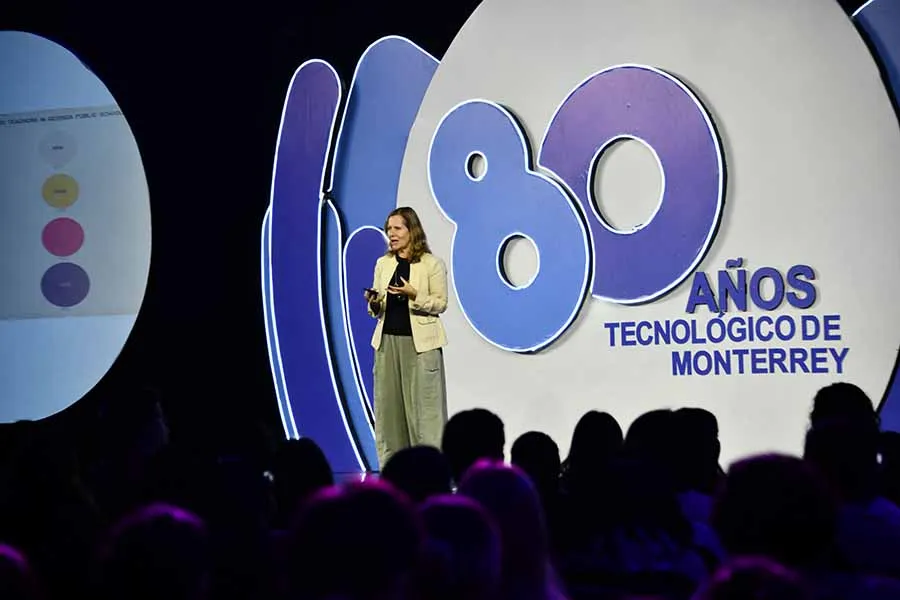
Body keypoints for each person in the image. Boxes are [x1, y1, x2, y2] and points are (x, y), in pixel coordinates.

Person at [365, 206, 449, 469]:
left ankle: (430, 472)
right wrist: (374, 303)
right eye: (389, 229)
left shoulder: (431, 264)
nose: (391, 233)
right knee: (389, 414)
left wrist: (415, 295)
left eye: (397, 228)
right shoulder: (383, 263)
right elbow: (376, 308)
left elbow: (441, 303)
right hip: (387, 344)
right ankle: (392, 473)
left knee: (424, 414)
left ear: (411, 230)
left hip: (420, 347)